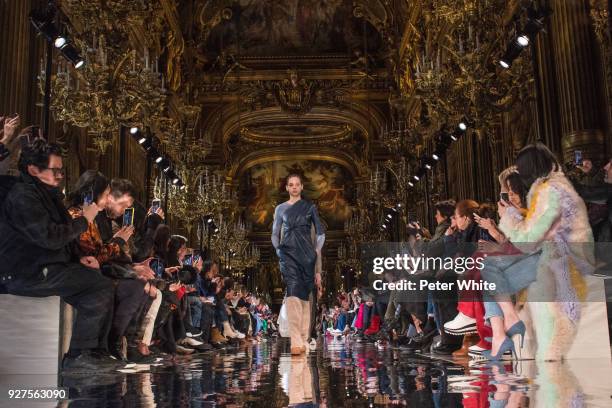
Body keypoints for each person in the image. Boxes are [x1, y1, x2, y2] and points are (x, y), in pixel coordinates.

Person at [0, 140, 119, 371]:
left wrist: (77, 258)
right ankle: (81, 355)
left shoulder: (43, 193)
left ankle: (96, 352)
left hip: (41, 266)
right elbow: (49, 237)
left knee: (99, 281)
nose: (60, 176)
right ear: (34, 170)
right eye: (55, 170)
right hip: (24, 272)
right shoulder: (23, 196)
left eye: (61, 170)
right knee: (98, 285)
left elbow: (57, 238)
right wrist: (85, 219)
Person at [491, 142, 594, 361]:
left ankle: (505, 328)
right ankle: (506, 329)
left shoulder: (550, 191)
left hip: (561, 264)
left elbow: (528, 239)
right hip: (556, 258)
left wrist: (508, 216)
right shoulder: (553, 187)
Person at [271, 173, 325, 355]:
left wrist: (316, 254)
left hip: (307, 257)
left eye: (297, 185)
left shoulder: (309, 207)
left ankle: (303, 338)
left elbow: (320, 233)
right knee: (293, 293)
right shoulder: (280, 209)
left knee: (305, 297)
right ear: (286, 188)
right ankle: (295, 340)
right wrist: (279, 250)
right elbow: (274, 233)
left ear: (302, 187)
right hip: (288, 256)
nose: (294, 187)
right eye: (290, 185)